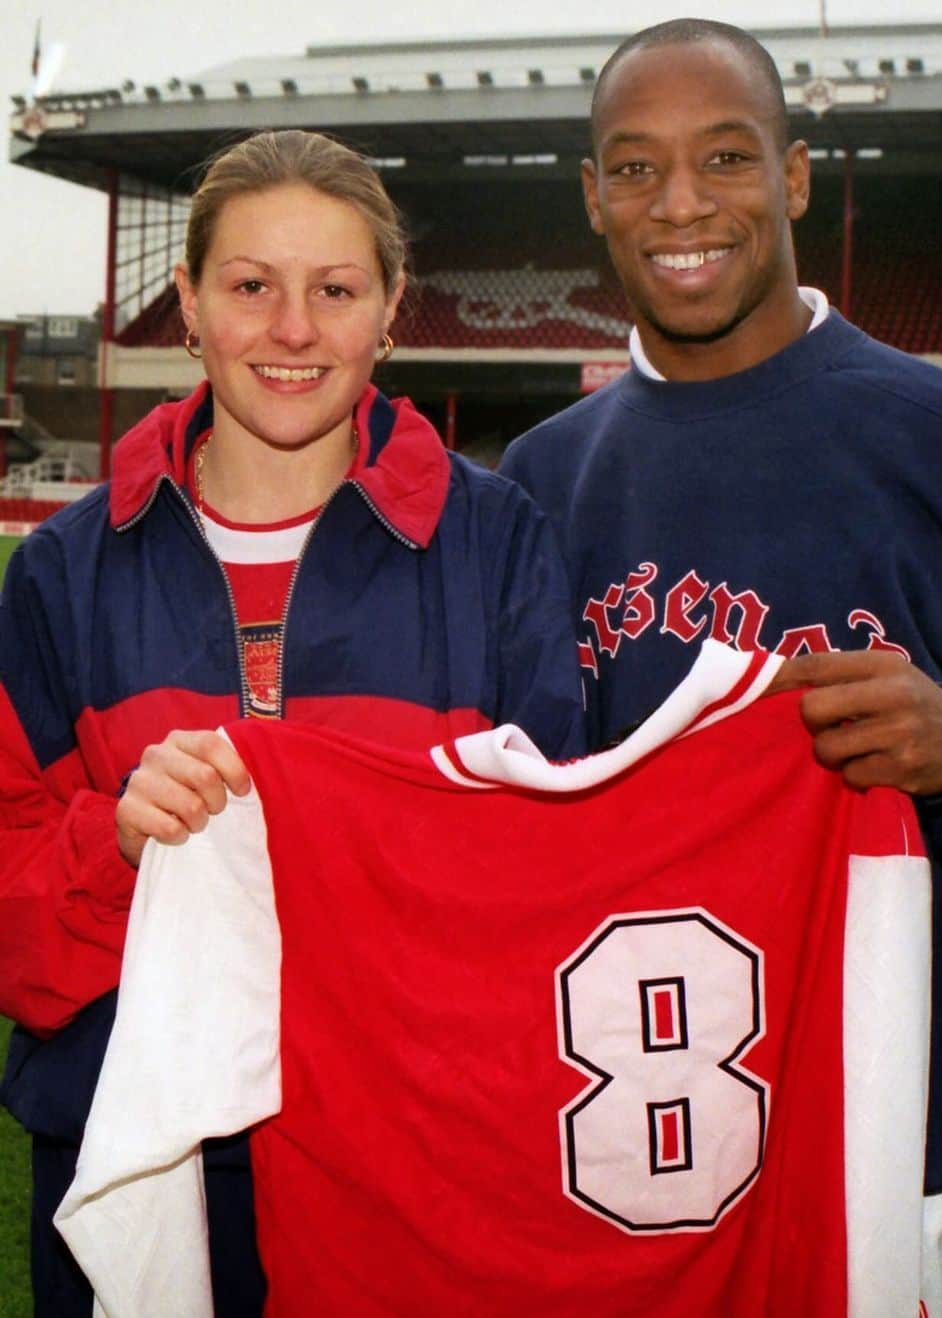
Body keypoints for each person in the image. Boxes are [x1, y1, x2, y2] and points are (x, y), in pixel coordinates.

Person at [499, 19, 942, 1316]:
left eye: (726, 157)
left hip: (895, 1173)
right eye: (637, 169)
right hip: (623, 1176)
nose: (684, 204)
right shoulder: (537, 480)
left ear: (796, 175)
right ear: (593, 198)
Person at [0, 128, 584, 1316]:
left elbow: (561, 897)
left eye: (335, 290)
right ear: (189, 303)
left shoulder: (498, 546)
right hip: (131, 1176)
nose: (294, 331)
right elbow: (14, 935)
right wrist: (115, 847)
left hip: (413, 1177)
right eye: (252, 286)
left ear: (390, 307)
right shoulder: (64, 575)